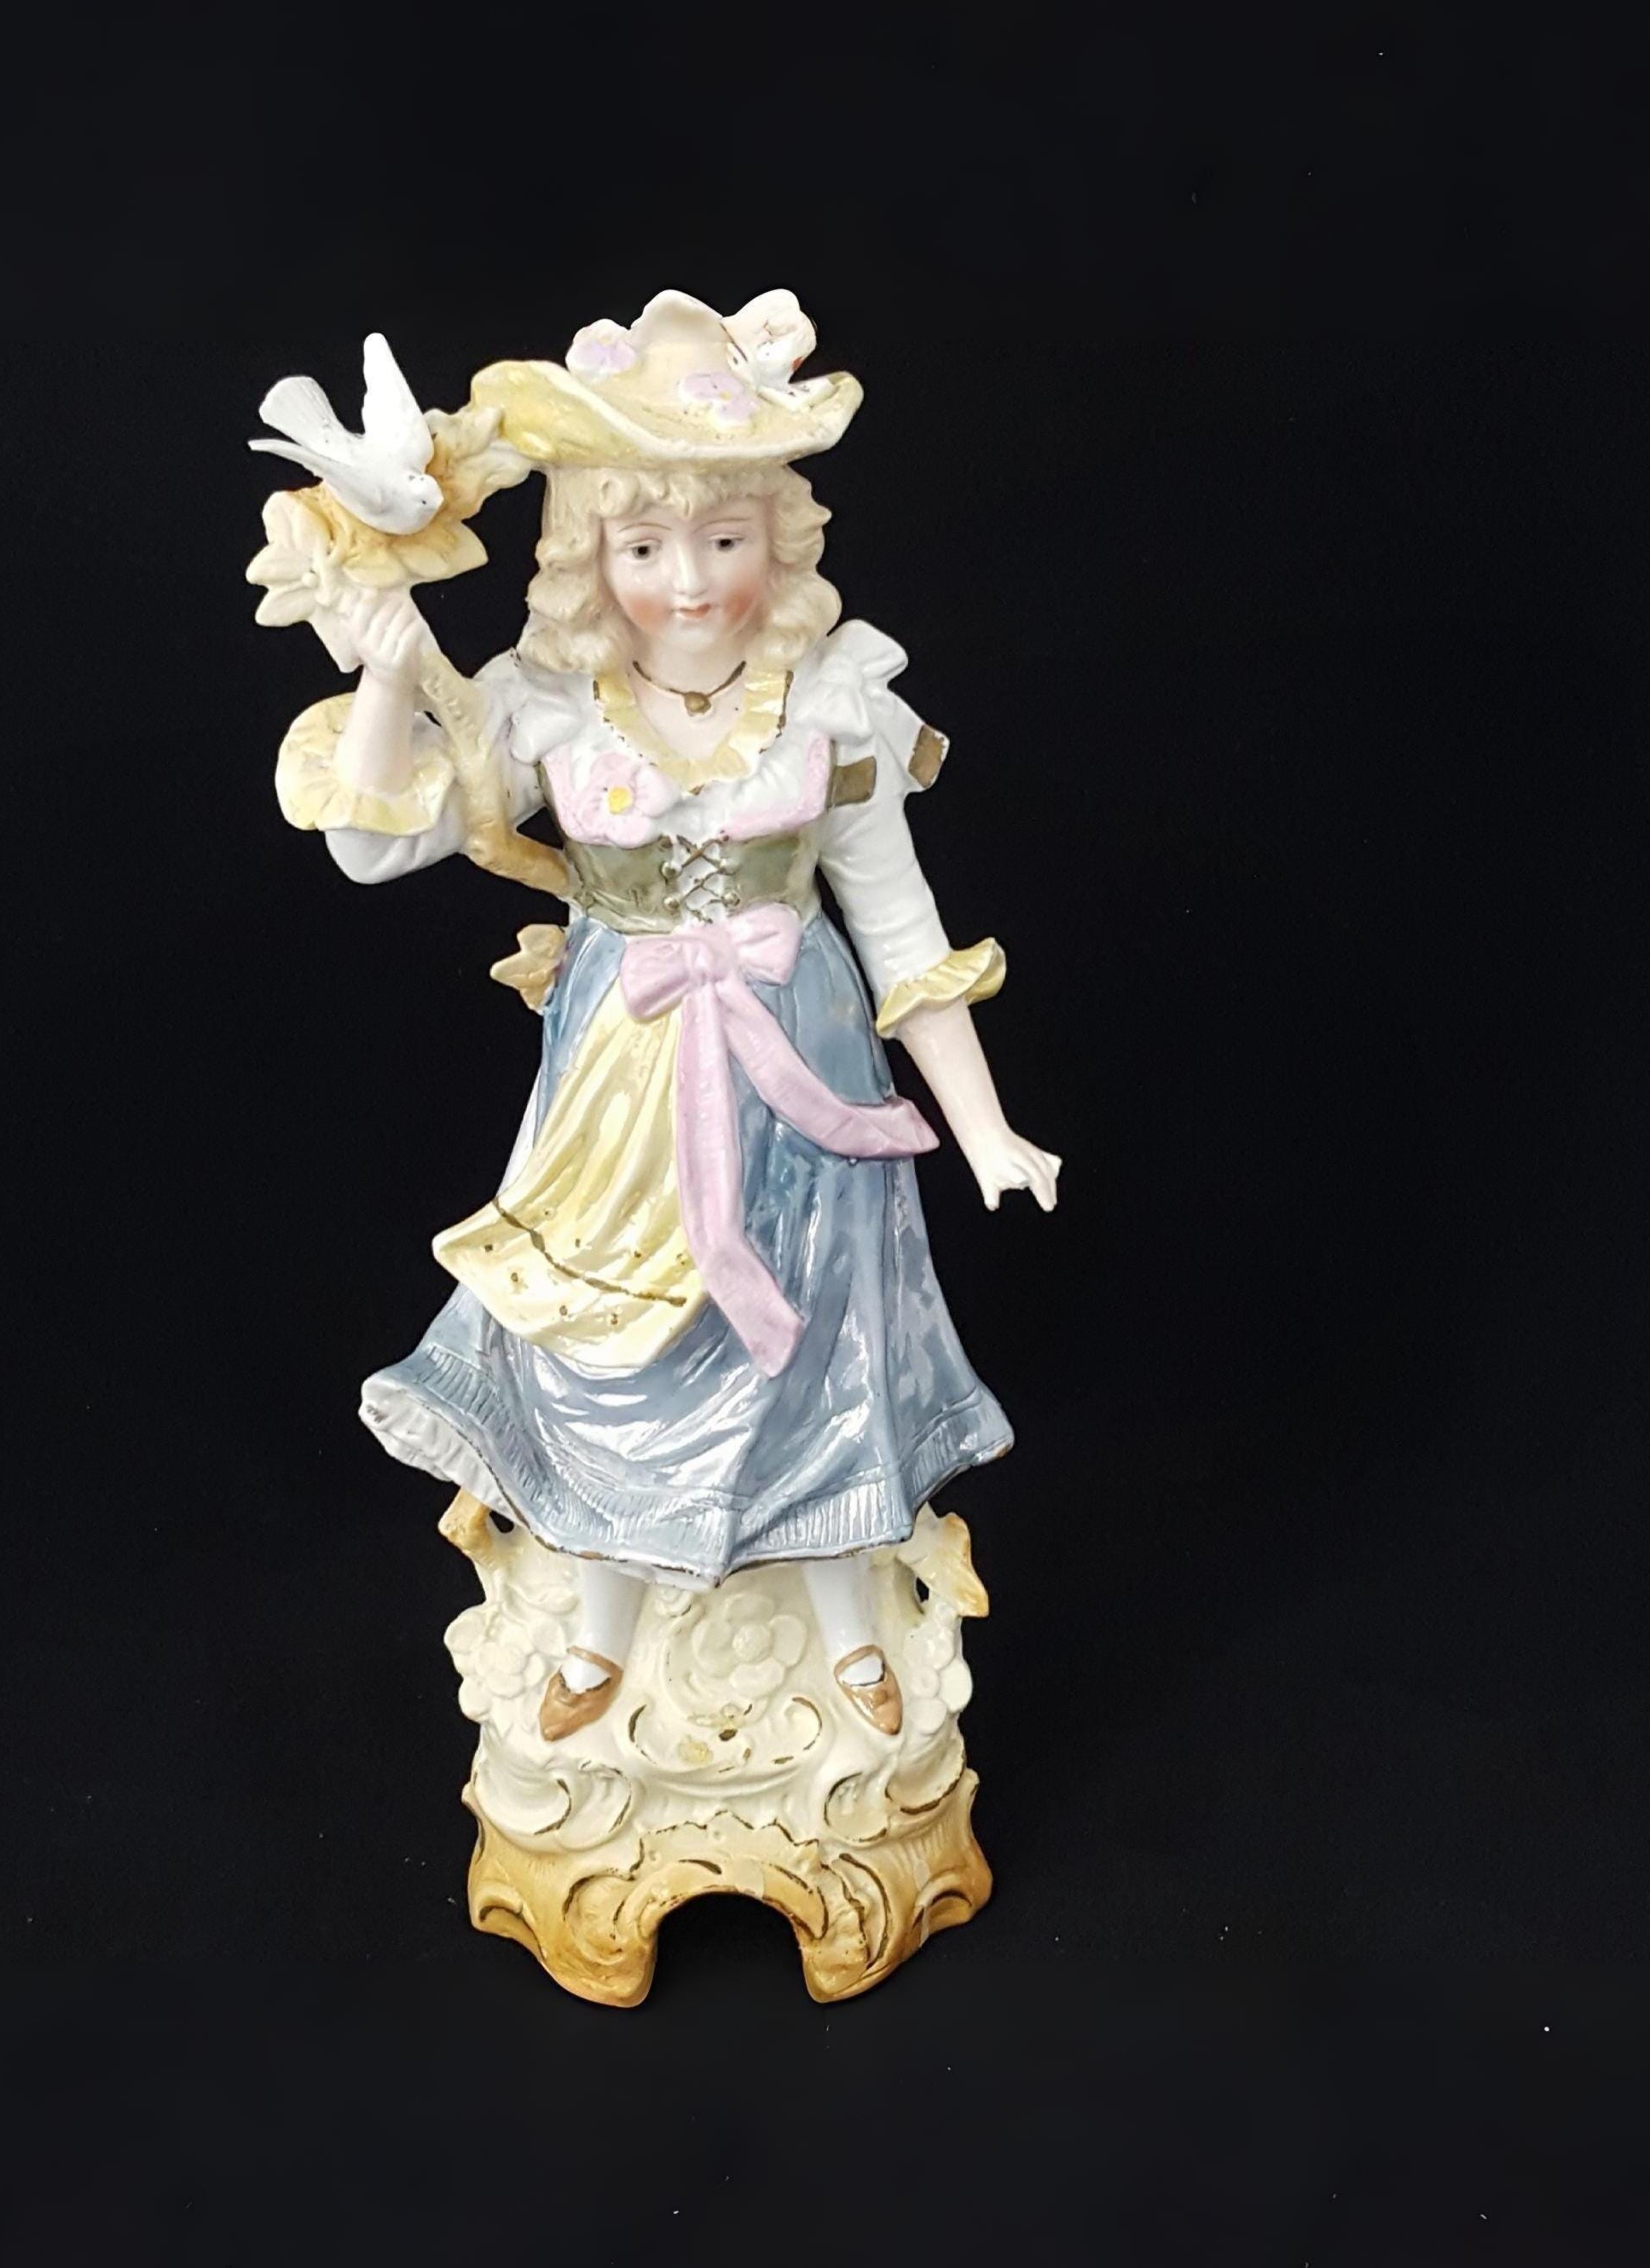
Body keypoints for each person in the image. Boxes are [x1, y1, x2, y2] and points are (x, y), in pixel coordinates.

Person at [274, 290, 1058, 1742]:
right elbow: (376, 848)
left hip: (806, 1065)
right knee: (603, 1341)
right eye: (644, 548)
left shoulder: (834, 697)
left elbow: (900, 925)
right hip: (618, 1082)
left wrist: (986, 1124)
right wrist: (387, 673)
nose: (688, 584)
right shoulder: (548, 702)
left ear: (781, 539)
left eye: (723, 540)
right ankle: (602, 1625)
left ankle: (844, 1622)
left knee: (811, 1342)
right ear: (591, 556)